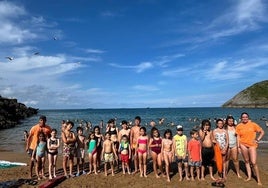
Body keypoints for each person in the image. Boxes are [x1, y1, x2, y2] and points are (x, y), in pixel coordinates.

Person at [236, 112, 264, 186]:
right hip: (243, 144)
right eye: (243, 117)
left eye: (246, 117)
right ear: (241, 118)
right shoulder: (239, 126)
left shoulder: (253, 124)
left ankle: (258, 180)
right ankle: (249, 177)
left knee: (254, 162)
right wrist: (238, 147)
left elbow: (262, 132)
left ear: (248, 117)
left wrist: (257, 140)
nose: (244, 118)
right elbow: (238, 137)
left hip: (252, 145)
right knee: (247, 161)